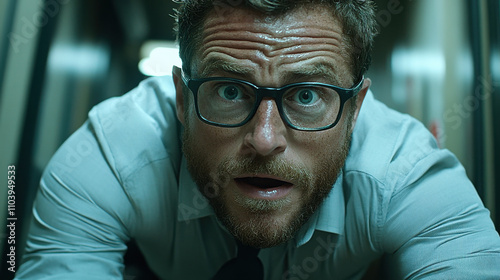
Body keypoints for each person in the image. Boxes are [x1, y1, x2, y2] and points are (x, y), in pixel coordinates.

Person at [15, 0, 500, 279]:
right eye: (230, 90)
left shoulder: (404, 172)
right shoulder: (110, 156)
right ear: (181, 101)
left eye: (307, 93)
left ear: (355, 109)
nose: (264, 140)